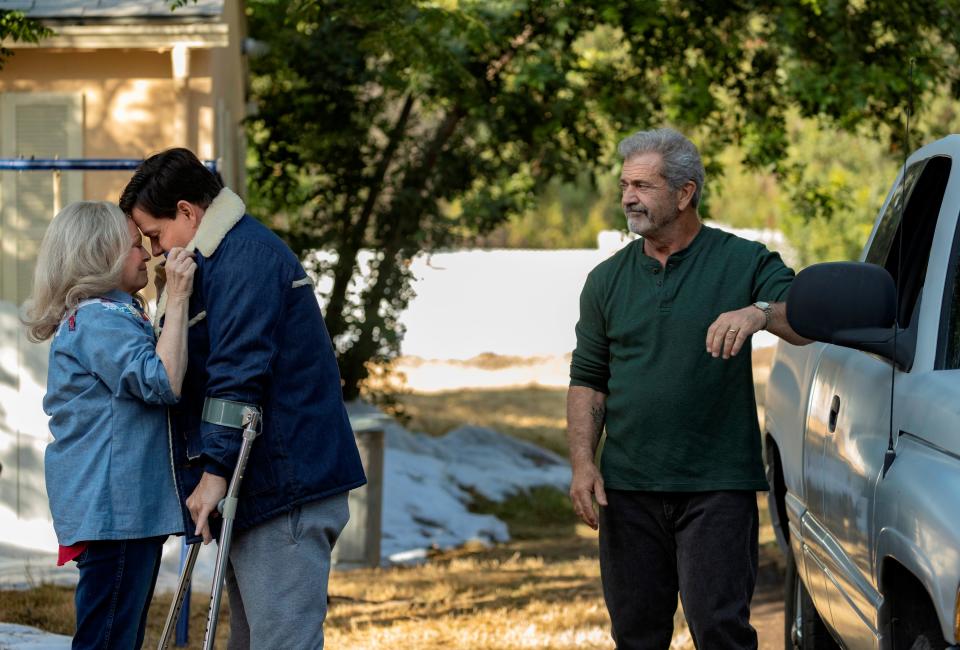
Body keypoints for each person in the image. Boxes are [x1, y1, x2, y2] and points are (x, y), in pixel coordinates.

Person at [567, 128, 809, 649]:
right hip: (628, 489)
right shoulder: (605, 281)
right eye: (624, 185)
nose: (629, 197)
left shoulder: (742, 260)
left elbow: (804, 321)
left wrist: (759, 312)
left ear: (684, 192)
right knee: (636, 635)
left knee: (720, 631)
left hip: (717, 486)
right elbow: (588, 379)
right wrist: (584, 465)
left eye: (643, 185)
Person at [120, 148, 366, 648]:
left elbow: (237, 375)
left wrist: (214, 472)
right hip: (259, 485)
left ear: (188, 212)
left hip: (284, 484)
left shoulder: (246, 258)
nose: (154, 249)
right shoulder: (218, 257)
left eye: (155, 234)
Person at [22, 201, 196, 648]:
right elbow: (161, 380)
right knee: (108, 638)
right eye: (136, 246)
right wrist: (177, 298)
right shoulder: (99, 318)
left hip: (122, 510)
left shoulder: (110, 315)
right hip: (117, 511)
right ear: (100, 256)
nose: (148, 254)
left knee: (117, 633)